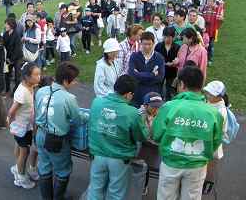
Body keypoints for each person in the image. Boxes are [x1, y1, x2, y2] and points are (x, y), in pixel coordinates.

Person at [153, 66, 223, 200]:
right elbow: (216, 142)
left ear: (182, 84)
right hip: (197, 165)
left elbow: (156, 135)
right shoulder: (214, 113)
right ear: (201, 85)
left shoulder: (169, 107)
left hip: (171, 162)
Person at [87, 75, 149, 200]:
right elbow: (141, 136)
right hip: (119, 158)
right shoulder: (132, 112)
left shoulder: (97, 102)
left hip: (97, 154)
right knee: (115, 193)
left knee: (95, 190)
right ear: (128, 94)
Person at [35, 62, 84, 200]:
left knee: (44, 167)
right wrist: (87, 116)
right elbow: (78, 119)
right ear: (65, 80)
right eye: (74, 80)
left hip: (40, 134)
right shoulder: (69, 98)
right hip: (57, 140)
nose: (75, 82)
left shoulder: (41, 91)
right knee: (63, 171)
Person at [8, 62, 41, 189]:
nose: (39, 77)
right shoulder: (22, 92)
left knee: (20, 147)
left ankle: (17, 167)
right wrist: (9, 120)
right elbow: (12, 110)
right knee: (25, 151)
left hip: (26, 126)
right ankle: (21, 177)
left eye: (40, 74)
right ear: (27, 77)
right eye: (36, 75)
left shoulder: (30, 85)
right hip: (20, 126)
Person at [128, 32, 165, 108]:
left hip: (153, 96)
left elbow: (160, 77)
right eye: (144, 44)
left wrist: (139, 75)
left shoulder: (159, 58)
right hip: (137, 95)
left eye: (149, 44)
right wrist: (152, 75)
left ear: (153, 43)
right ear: (140, 43)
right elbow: (132, 75)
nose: (147, 47)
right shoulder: (134, 56)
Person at [203, 81, 228, 160]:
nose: (207, 95)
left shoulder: (221, 111)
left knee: (210, 157)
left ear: (219, 96)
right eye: (207, 92)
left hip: (212, 139)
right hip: (204, 135)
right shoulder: (209, 101)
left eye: (210, 94)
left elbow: (221, 129)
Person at [155, 27, 180, 101]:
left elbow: (179, 59)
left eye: (169, 37)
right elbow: (155, 58)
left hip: (172, 72)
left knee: (169, 89)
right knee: (158, 88)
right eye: (165, 37)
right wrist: (164, 64)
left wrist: (174, 63)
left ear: (173, 37)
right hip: (160, 71)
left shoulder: (177, 47)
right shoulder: (158, 46)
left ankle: (168, 101)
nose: (167, 39)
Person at [3, 18, 24, 94]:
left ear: (11, 25)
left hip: (17, 58)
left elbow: (17, 49)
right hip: (8, 58)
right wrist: (7, 59)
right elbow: (3, 45)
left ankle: (15, 91)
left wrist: (11, 60)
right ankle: (7, 89)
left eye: (7, 24)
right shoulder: (5, 34)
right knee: (6, 75)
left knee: (17, 76)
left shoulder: (16, 35)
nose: (5, 25)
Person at [202, 0, 222, 65]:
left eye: (211, 1)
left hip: (212, 31)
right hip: (204, 32)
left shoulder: (217, 9)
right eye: (208, 1)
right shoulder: (204, 9)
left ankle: (210, 59)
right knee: (203, 45)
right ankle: (204, 58)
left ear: (213, 2)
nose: (209, 3)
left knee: (211, 45)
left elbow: (220, 20)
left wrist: (216, 26)